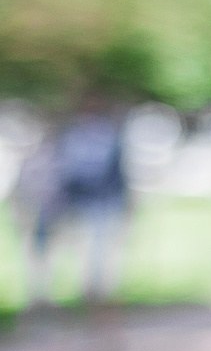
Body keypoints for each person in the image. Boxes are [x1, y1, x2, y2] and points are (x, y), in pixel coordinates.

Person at [23, 96, 133, 308]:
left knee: (97, 249)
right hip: (71, 202)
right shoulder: (72, 136)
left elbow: (115, 172)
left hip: (100, 202)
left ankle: (95, 292)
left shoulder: (108, 136)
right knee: (54, 246)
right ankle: (43, 294)